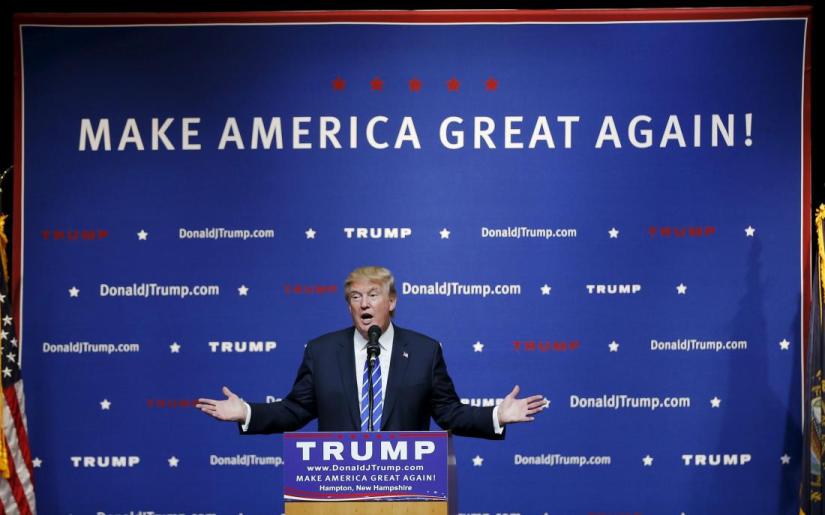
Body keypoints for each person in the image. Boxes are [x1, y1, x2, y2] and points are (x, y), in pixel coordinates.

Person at [197, 266, 546, 438]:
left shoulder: (424, 351)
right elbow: (296, 410)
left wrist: (496, 416)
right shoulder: (321, 351)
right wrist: (245, 412)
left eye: (373, 294)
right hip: (336, 488)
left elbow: (449, 413)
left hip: (406, 489)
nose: (364, 303)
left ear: (391, 301)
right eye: (355, 297)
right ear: (348, 306)